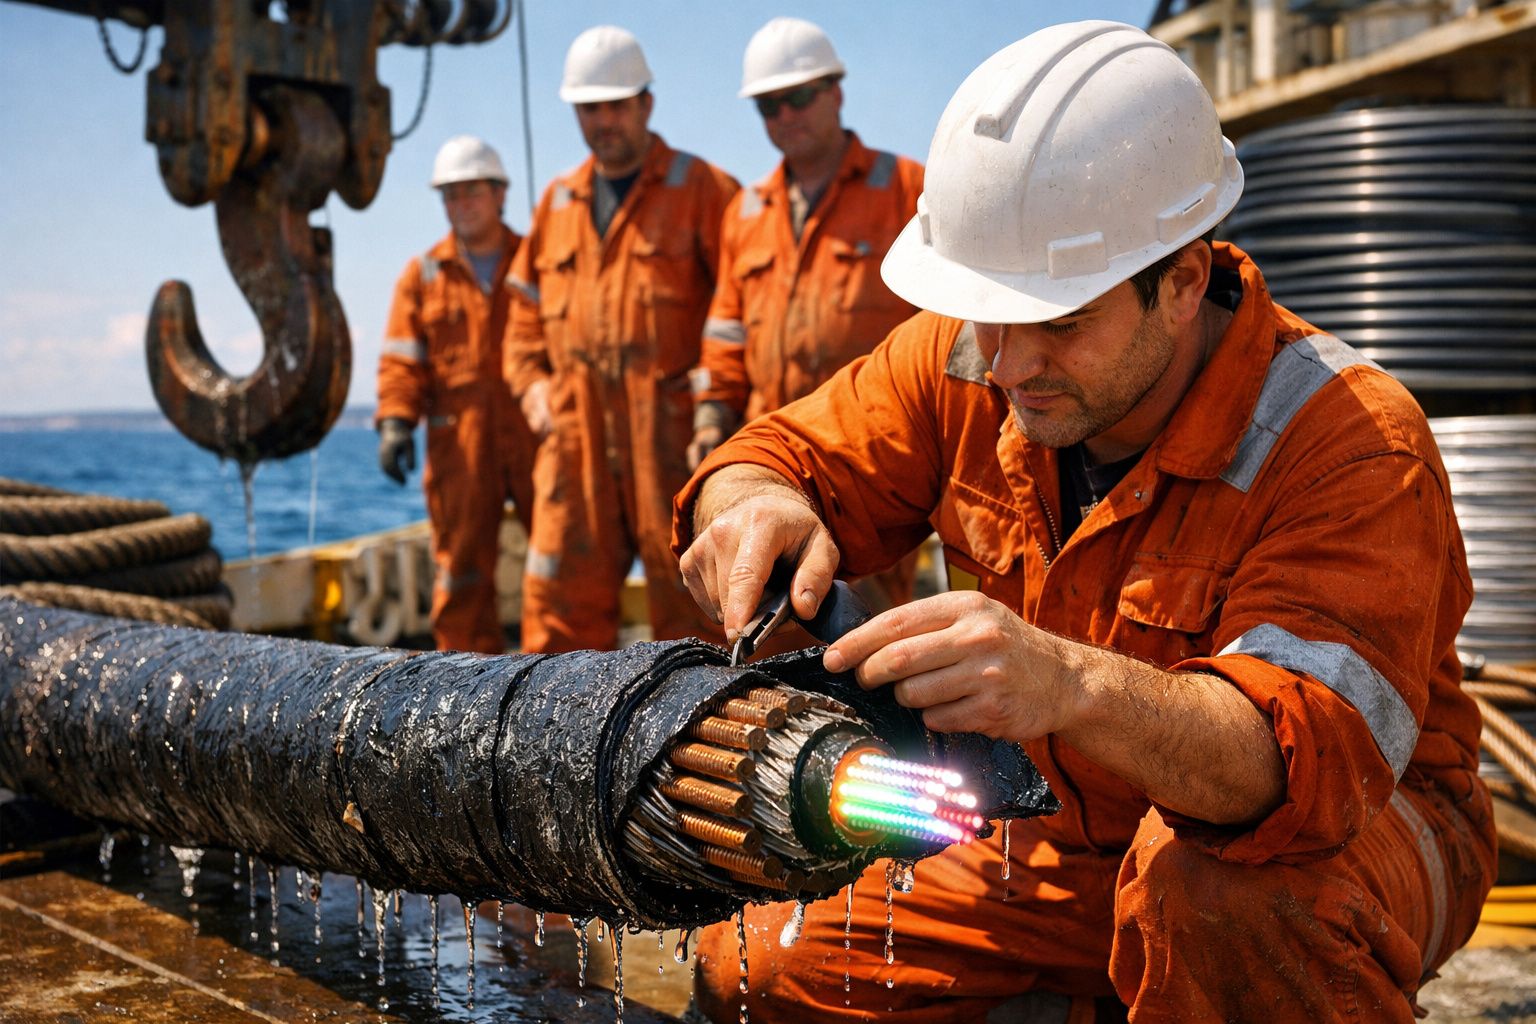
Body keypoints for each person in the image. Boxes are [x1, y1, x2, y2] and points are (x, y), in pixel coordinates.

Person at [675, 22, 1494, 1023]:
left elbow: (1295, 771)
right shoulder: (975, 355)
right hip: (1062, 830)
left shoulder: (1351, 441)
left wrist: (1061, 682)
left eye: (1060, 324)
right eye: (990, 316)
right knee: (757, 968)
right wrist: (751, 501)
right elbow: (781, 455)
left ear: (1184, 281)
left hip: (1352, 836)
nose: (1010, 367)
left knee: (1219, 898)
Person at [504, 26, 738, 652]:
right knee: (556, 606)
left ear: (645, 104)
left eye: (615, 105)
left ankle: (688, 742)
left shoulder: (704, 191)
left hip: (670, 437)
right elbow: (522, 317)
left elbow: (740, 308)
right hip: (574, 436)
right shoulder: (556, 202)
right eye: (589, 108)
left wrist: (716, 403)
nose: (602, 121)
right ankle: (548, 738)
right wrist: (532, 390)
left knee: (694, 605)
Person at [687, 17, 926, 616]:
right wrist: (713, 413)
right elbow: (727, 327)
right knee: (769, 620)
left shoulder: (905, 189)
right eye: (769, 106)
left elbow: (945, 332)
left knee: (873, 638)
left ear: (836, 92)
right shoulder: (745, 211)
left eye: (798, 98)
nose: (785, 116)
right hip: (776, 458)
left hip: (873, 463)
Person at [374, 135, 535, 654]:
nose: (460, 205)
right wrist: (396, 421)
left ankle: (567, 683)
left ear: (499, 194)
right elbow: (400, 360)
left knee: (560, 568)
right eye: (450, 195)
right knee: (462, 572)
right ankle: (468, 688)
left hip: (535, 436)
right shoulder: (422, 276)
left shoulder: (535, 262)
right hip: (458, 449)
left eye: (472, 192)